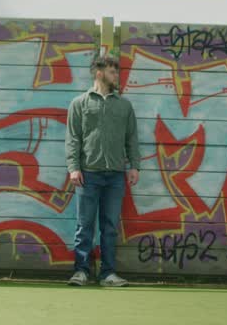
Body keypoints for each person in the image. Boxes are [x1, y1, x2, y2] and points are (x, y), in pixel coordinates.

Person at [65, 53, 140, 287]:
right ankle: (81, 271)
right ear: (99, 73)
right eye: (112, 71)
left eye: (116, 71)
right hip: (88, 174)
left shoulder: (124, 105)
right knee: (84, 225)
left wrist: (134, 166)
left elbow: (131, 138)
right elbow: (73, 138)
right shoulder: (80, 103)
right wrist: (73, 168)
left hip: (116, 175)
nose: (116, 75)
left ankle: (108, 274)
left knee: (109, 227)